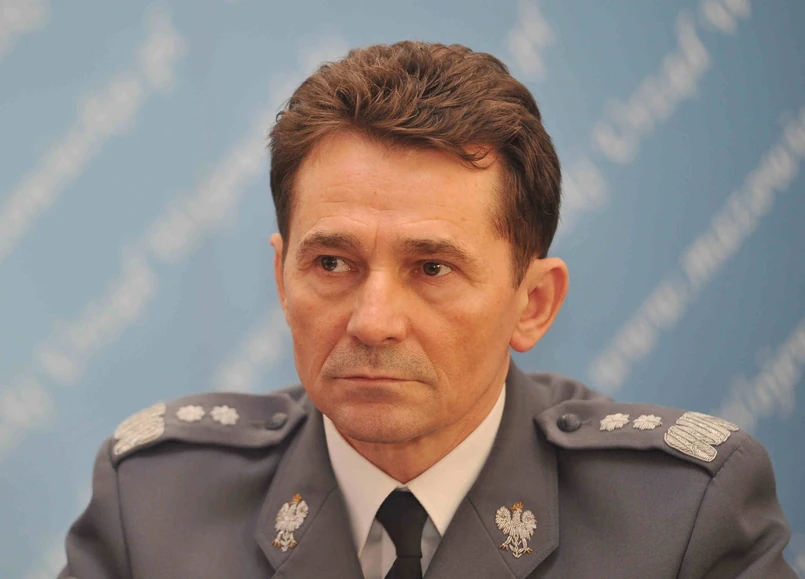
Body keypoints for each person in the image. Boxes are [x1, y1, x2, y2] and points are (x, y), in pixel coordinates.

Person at [60, 41, 796, 579]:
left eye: (432, 268)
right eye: (332, 263)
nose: (373, 321)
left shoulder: (680, 520)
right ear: (283, 280)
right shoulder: (154, 504)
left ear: (533, 303)